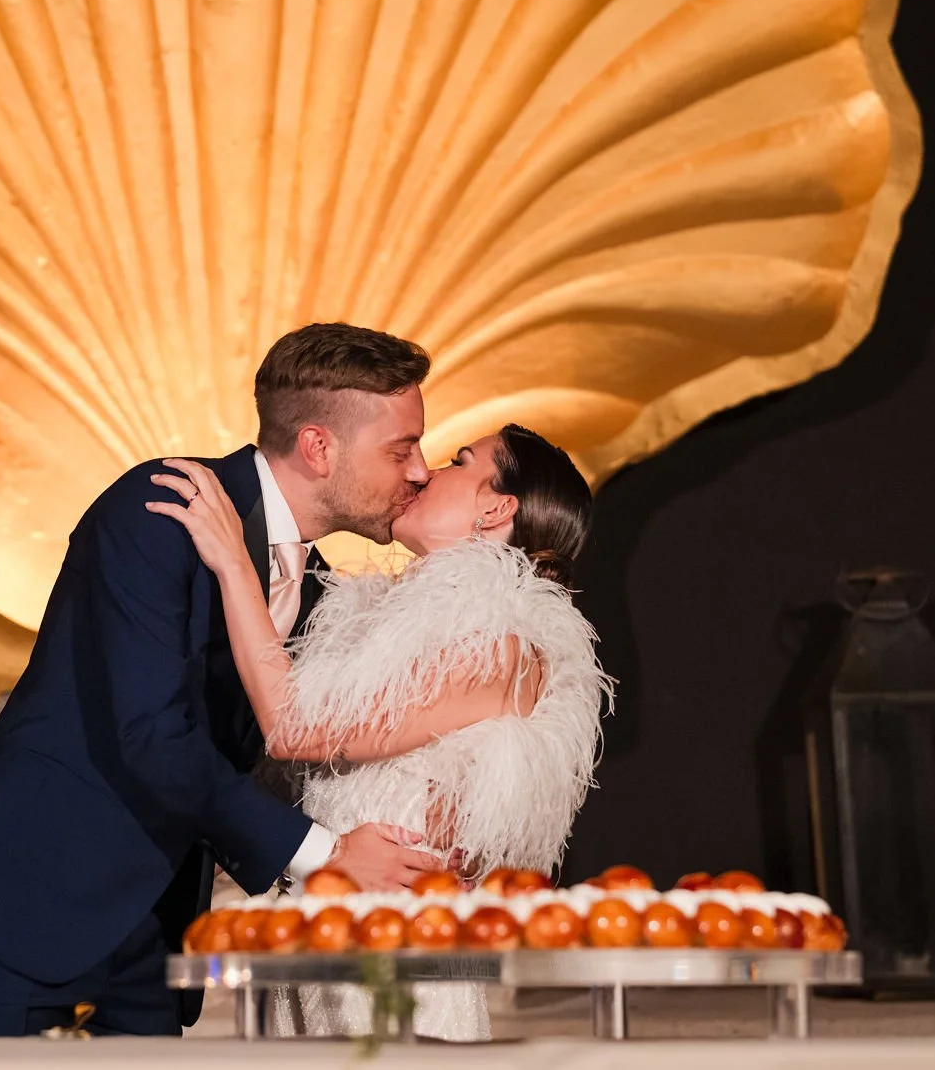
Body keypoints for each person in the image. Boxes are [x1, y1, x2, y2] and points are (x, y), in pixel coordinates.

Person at [0, 324, 449, 1036]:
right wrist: (327, 855)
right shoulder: (162, 507)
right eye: (401, 447)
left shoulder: (319, 583)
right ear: (319, 447)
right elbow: (153, 737)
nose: (419, 470)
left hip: (156, 929)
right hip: (30, 898)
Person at [148, 424, 611, 1041]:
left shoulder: (505, 647)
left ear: (497, 506)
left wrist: (235, 563)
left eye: (458, 462)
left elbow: (295, 727)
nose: (423, 473)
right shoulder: (372, 625)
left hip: (392, 969)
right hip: (320, 947)